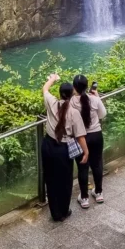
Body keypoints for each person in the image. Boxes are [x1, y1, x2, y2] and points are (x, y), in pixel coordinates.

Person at [41, 73, 89, 221]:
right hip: (63, 149)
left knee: (51, 179)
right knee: (65, 180)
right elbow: (80, 136)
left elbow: (45, 89)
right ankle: (63, 211)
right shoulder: (74, 112)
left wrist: (53, 79)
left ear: (60, 94)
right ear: (72, 94)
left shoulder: (51, 102)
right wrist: (86, 152)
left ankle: (55, 212)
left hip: (48, 145)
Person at [72, 74, 107, 208]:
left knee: (83, 167)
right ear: (87, 87)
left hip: (81, 138)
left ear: (74, 87)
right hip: (96, 135)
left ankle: (84, 198)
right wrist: (97, 97)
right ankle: (98, 193)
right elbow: (103, 114)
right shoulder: (94, 99)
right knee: (97, 164)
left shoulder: (71, 102)